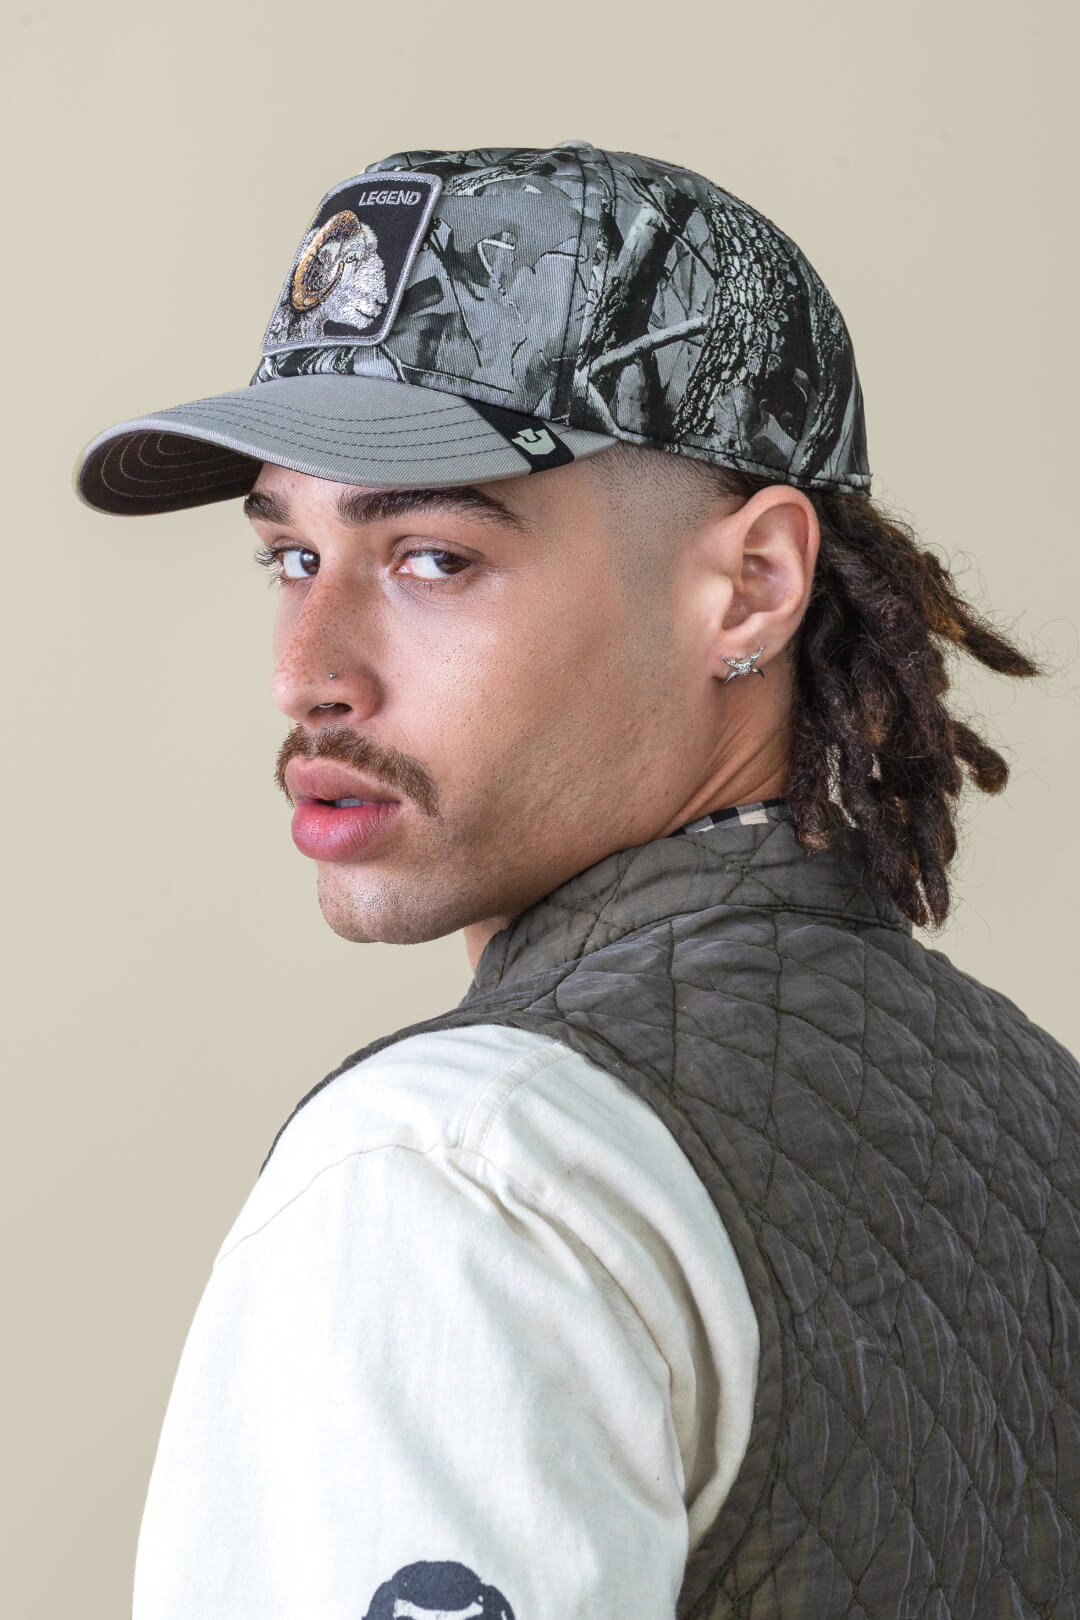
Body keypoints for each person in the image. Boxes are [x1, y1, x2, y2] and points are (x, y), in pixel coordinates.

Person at [76, 142, 1079, 1620]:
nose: (309, 675)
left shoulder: (451, 1175)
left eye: (431, 557)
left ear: (747, 586)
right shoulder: (1035, 1101)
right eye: (290, 557)